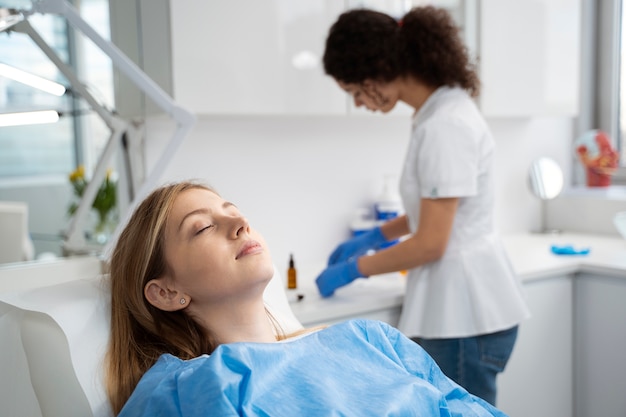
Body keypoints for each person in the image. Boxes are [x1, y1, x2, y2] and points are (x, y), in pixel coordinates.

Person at [104, 180, 509, 417]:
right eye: (203, 227)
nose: (241, 222)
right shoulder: (188, 388)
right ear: (167, 292)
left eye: (234, 210)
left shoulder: (369, 339)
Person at [316, 6, 530, 406]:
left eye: (354, 90)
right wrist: (376, 235)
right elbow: (433, 209)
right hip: (464, 309)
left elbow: (432, 242)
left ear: (376, 70)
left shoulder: (444, 126)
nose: (360, 102)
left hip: (464, 316)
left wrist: (354, 268)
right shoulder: (438, 113)